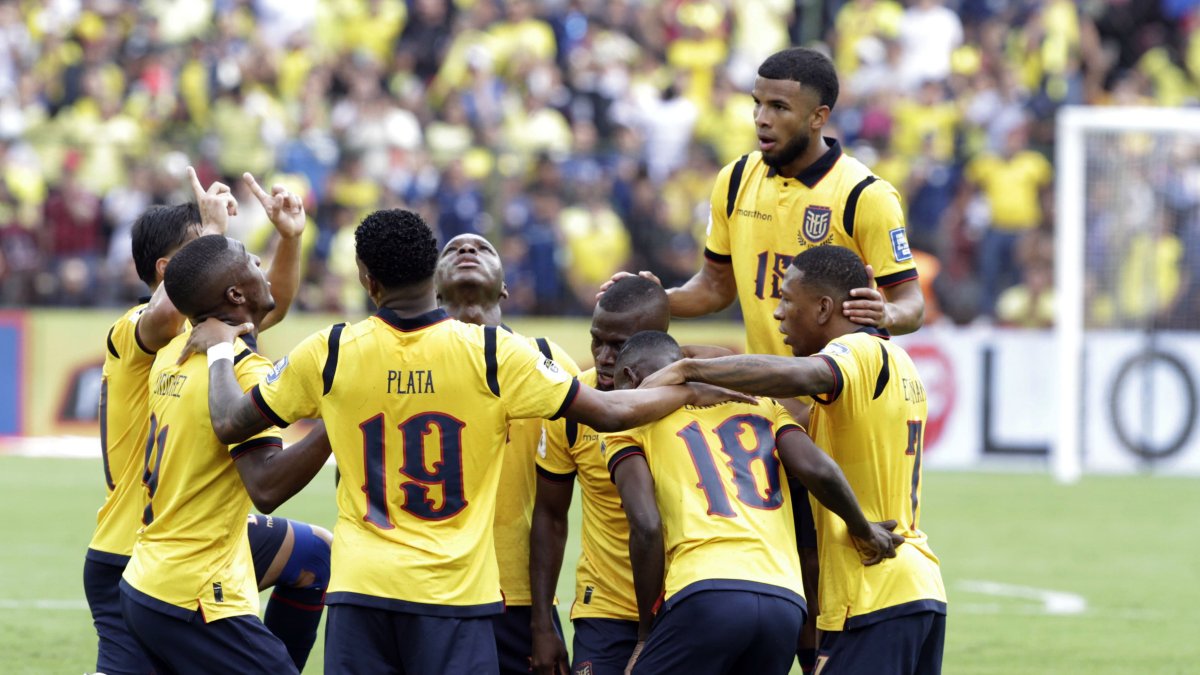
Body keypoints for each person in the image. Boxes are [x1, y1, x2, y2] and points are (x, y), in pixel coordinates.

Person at [185, 209, 751, 674]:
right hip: (456, 592)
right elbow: (607, 411)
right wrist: (681, 383)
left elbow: (234, 425)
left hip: (366, 587)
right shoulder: (499, 357)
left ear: (366, 279)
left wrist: (218, 348)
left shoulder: (332, 350)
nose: (468, 252)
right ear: (430, 275)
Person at [608, 46, 925, 672]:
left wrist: (885, 315)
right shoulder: (734, 180)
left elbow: (909, 300)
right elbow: (715, 288)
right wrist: (650, 301)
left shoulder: (864, 195)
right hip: (763, 400)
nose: (762, 118)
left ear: (818, 115)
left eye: (779, 106)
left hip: (834, 400)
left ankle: (827, 654)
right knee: (779, 540)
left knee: (834, 542)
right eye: (757, 103)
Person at [640, 246, 947, 675]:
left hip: (873, 586)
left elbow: (801, 375)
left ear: (823, 308)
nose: (779, 314)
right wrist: (706, 356)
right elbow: (790, 403)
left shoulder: (857, 352)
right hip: (915, 586)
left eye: (787, 299)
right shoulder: (898, 364)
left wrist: (689, 369)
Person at [84, 169, 331, 674]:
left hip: (190, 527)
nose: (227, 251)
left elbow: (260, 307)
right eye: (206, 249)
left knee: (317, 557)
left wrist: (289, 240)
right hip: (135, 544)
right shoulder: (144, 335)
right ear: (171, 269)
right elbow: (199, 301)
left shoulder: (208, 334)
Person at [605, 330, 903, 675]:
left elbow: (646, 525)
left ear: (630, 377)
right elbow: (815, 468)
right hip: (785, 603)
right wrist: (863, 529)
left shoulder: (630, 423)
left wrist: (645, 631)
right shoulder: (762, 405)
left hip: (704, 590)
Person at [433, 232, 580, 675]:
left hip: (518, 597)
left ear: (504, 288)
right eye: (453, 249)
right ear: (434, 289)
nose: (466, 250)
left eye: (482, 248)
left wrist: (542, 622)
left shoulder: (546, 359)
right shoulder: (403, 361)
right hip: (430, 592)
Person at [530, 276, 670, 675]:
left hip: (681, 603)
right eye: (598, 341)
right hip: (604, 606)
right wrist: (542, 623)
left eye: (619, 344)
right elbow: (550, 517)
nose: (605, 356)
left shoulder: (692, 398)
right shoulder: (572, 403)